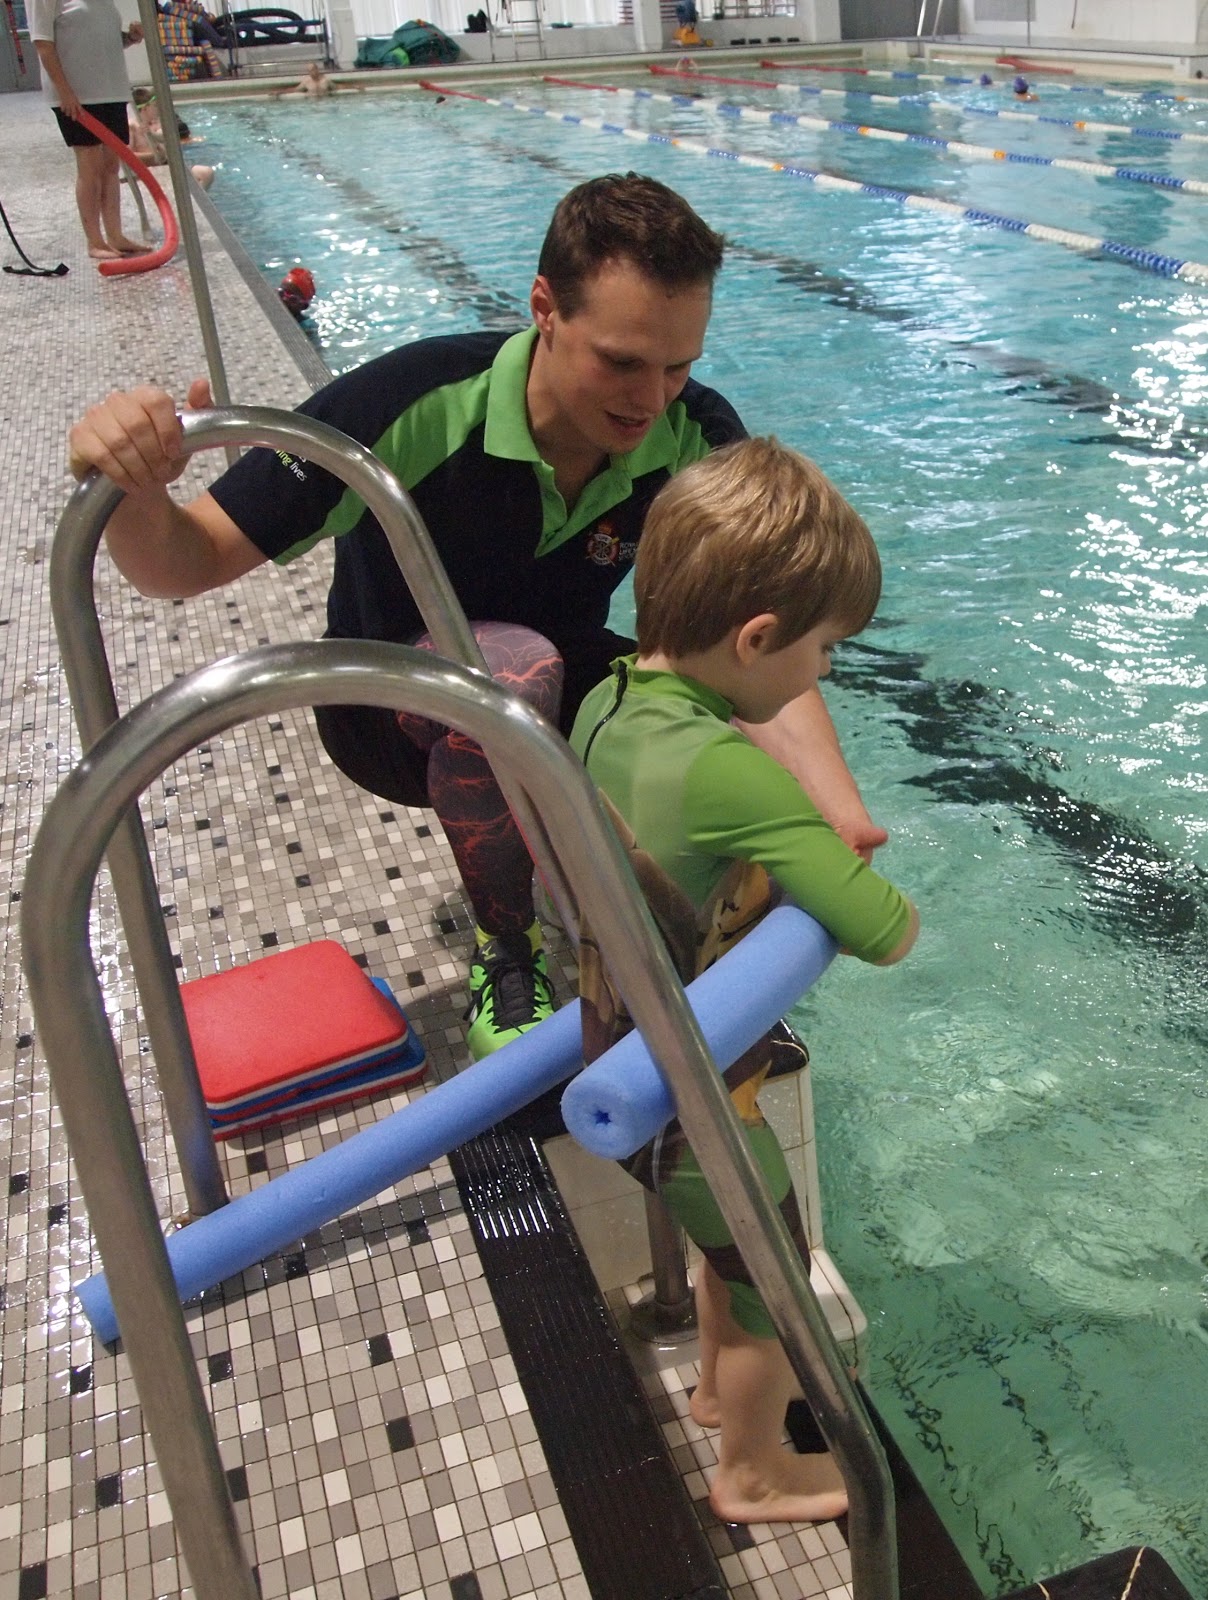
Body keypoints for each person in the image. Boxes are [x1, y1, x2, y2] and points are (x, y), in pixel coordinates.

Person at [67, 173, 885, 1062]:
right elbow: (184, 561)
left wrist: (834, 809)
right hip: (388, 706)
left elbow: (757, 632)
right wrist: (135, 487)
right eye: (620, 361)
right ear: (544, 308)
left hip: (557, 680)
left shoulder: (689, 431)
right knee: (514, 669)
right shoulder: (410, 403)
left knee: (685, 707)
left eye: (678, 364)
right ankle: (510, 954)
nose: (652, 399)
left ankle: (676, 963)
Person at [569, 437, 919, 1524]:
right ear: (756, 637)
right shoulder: (725, 767)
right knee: (778, 1283)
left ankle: (718, 1396)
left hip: (614, 1043)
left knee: (733, 1244)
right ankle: (755, 1467)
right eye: (821, 649)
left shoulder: (607, 704)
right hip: (686, 1100)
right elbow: (883, 928)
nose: (822, 674)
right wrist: (812, 846)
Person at [30, 0, 145, 260]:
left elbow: (98, 38)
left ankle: (115, 235)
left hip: (110, 89)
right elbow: (43, 44)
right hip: (77, 95)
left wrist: (129, 38)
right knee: (90, 164)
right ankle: (95, 241)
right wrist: (65, 92)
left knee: (111, 166)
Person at [129, 87, 215, 189]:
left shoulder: (155, 124)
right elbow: (126, 155)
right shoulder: (131, 127)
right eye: (155, 106)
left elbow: (165, 137)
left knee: (206, 173)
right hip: (150, 170)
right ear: (145, 108)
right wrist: (153, 156)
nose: (158, 110)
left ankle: (192, 202)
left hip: (166, 166)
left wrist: (152, 134)